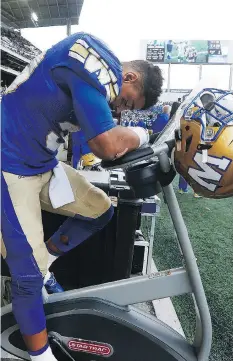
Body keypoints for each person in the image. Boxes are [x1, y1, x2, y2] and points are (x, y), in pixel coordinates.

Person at [1, 32, 163, 361]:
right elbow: (107, 145)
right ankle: (40, 356)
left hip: (41, 164)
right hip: (9, 164)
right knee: (27, 277)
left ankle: (44, 262)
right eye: (128, 101)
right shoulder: (95, 61)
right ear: (128, 77)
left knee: (100, 210)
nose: (121, 108)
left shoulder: (97, 76)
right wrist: (143, 133)